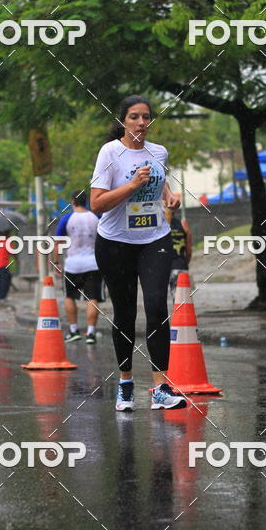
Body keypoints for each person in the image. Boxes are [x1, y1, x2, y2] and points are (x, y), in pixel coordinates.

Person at [90, 94, 186, 412]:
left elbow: (158, 184)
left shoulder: (159, 152)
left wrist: (170, 196)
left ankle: (160, 388)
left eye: (146, 117)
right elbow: (96, 203)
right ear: (123, 121)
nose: (141, 122)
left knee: (157, 306)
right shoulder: (110, 153)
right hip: (115, 242)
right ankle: (126, 384)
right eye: (134, 117)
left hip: (154, 238)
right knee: (125, 313)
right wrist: (131, 186)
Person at [53, 190, 102, 344]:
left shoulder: (66, 218)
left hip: (73, 265)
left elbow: (57, 243)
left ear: (73, 202)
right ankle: (91, 333)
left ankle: (73, 330)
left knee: (69, 297)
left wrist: (56, 262)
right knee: (92, 298)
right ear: (86, 202)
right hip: (93, 264)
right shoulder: (96, 217)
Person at [164, 204, 192, 300]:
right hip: (180, 266)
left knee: (158, 300)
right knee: (180, 301)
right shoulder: (183, 225)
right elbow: (189, 251)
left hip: (162, 268)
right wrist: (185, 264)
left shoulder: (160, 227)